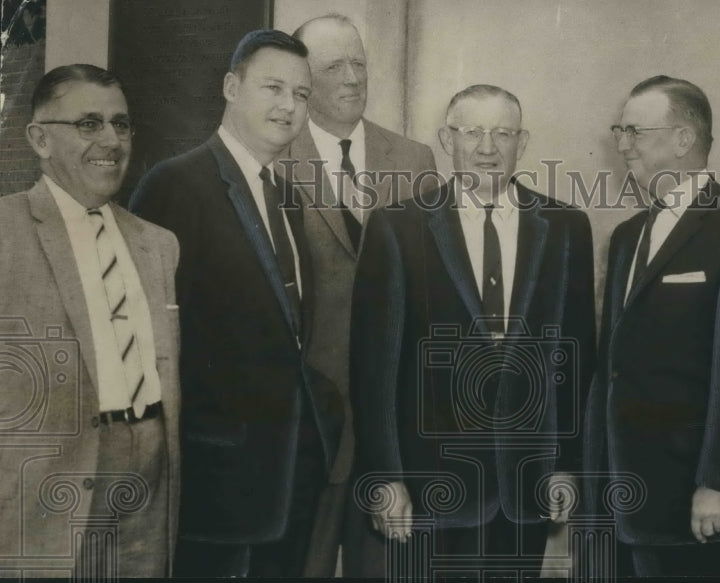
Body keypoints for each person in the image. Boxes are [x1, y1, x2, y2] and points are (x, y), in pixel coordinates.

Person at [350, 84, 595, 578]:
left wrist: (568, 464)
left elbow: (577, 358)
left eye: (503, 133)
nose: (488, 147)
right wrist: (386, 477)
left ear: (522, 143)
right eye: (473, 132)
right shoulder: (397, 227)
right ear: (446, 138)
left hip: (527, 484)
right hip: (427, 485)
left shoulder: (567, 225)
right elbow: (373, 370)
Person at [129, 30, 330, 577]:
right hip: (213, 483)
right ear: (231, 87)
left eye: (302, 94)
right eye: (273, 87)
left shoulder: (288, 197)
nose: (289, 105)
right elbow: (144, 346)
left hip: (289, 479)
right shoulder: (173, 184)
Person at [583, 75, 720, 576]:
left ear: (682, 140)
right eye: (620, 131)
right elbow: (612, 365)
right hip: (624, 501)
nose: (623, 145)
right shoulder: (629, 235)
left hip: (702, 507)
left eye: (636, 131)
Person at [0, 64, 180, 577]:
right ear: (39, 138)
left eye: (120, 124)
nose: (111, 140)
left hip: (149, 472)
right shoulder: (5, 231)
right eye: (88, 124)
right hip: (44, 490)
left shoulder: (157, 244)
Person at [282, 13, 438, 577]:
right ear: (303, 78)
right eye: (333, 66)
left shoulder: (415, 161)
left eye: (359, 63)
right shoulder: (273, 156)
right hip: (308, 427)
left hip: (392, 428)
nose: (352, 78)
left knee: (392, 570)